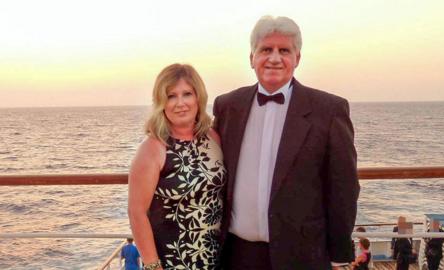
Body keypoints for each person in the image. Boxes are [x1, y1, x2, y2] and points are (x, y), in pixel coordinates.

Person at [213, 15, 360, 270]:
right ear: (252, 58)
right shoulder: (227, 106)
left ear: (297, 58)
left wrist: (339, 253)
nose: (274, 58)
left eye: (284, 50)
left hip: (302, 256)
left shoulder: (329, 110)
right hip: (236, 254)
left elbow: (343, 186)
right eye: (266, 50)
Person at [128, 64, 226, 270]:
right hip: (173, 262)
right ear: (161, 103)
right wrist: (153, 266)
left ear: (198, 97)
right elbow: (137, 212)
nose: (180, 103)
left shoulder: (213, 138)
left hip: (216, 258)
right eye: (171, 96)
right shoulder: (153, 149)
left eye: (187, 94)